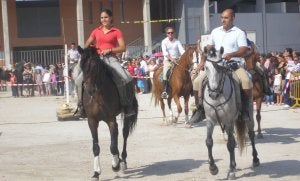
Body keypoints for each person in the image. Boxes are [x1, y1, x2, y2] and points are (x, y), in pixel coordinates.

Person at [200, 8, 253, 122]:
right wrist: (205, 53)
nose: (223, 20)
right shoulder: (215, 31)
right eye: (222, 17)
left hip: (233, 64)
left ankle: (244, 111)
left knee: (246, 81)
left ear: (232, 18)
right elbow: (210, 46)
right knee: (197, 81)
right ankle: (200, 109)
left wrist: (232, 54)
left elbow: (244, 49)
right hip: (216, 65)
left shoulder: (238, 32)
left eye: (226, 18)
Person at [83, 9, 135, 117]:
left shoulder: (116, 31)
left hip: (111, 59)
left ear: (111, 18)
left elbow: (123, 47)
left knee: (125, 78)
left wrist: (110, 50)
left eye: (106, 17)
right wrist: (92, 47)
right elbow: (87, 43)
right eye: (102, 18)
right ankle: (81, 106)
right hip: (97, 59)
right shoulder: (96, 31)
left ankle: (126, 105)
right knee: (79, 78)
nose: (103, 19)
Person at [161, 26, 185, 99]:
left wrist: (183, 56)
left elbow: (182, 51)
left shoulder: (177, 41)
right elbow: (165, 53)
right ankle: (165, 90)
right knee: (165, 74)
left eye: (172, 32)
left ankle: (188, 89)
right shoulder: (164, 41)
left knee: (185, 71)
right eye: (169, 33)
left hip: (177, 60)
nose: (170, 34)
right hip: (168, 60)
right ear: (166, 34)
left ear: (174, 33)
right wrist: (172, 59)